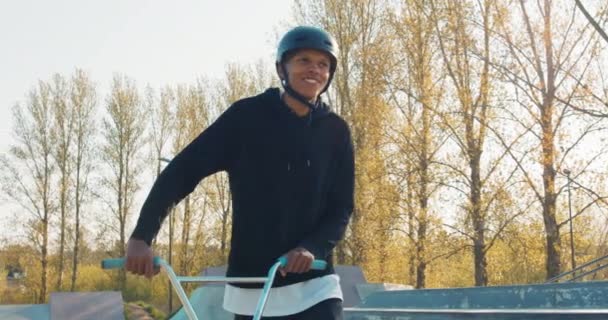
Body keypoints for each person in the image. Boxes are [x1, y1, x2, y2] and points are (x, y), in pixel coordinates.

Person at [125, 25, 355, 320]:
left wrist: (312, 248)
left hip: (314, 286)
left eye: (323, 64)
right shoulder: (245, 117)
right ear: (282, 68)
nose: (314, 70)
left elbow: (341, 207)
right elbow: (183, 170)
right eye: (303, 61)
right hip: (251, 289)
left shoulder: (336, 131)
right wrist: (142, 236)